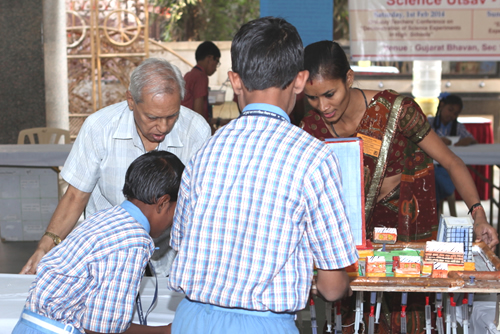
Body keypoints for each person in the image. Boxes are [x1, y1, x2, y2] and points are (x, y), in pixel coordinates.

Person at [167, 17, 358, 334]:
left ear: (235, 81)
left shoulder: (204, 154)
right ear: (300, 81)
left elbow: (182, 245)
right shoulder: (313, 158)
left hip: (191, 321)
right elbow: (331, 287)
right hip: (263, 325)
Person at [20, 58, 211, 277]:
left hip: (169, 258)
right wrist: (46, 246)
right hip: (108, 257)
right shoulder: (100, 128)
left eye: (172, 115)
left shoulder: (196, 130)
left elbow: (201, 203)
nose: (163, 126)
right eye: (152, 117)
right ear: (131, 100)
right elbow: (75, 196)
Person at [300, 40, 497, 248]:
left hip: (405, 229)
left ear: (349, 78)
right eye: (312, 98)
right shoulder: (311, 128)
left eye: (330, 94)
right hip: (343, 236)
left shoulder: (396, 111)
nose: (323, 106)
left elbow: (451, 162)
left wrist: (479, 216)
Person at [12, 150, 184, 334]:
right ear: (163, 203)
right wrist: (165, 332)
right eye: (178, 208)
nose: (176, 218)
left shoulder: (107, 217)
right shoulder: (133, 242)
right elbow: (101, 329)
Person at [428, 93, 478, 215]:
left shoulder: (458, 127)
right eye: (450, 110)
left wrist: (466, 141)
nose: (451, 115)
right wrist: (439, 141)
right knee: (432, 177)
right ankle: (435, 210)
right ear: (442, 106)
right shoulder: (429, 123)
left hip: (447, 171)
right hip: (430, 168)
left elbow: (472, 139)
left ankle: (436, 210)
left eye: (455, 113)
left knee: (436, 179)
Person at [181, 41, 225, 130]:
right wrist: (212, 132)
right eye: (216, 63)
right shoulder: (201, 77)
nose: (216, 68)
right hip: (192, 129)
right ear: (209, 58)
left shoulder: (189, 74)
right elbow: (198, 113)